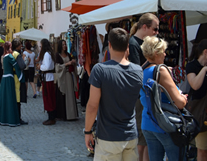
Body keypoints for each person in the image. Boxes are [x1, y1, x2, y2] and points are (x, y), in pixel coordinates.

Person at [84, 28, 143, 160]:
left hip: (108, 137)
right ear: (127, 46)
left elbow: (93, 105)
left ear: (109, 45)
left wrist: (87, 131)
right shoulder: (138, 70)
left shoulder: (100, 70)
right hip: (130, 135)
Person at [140, 36, 187, 161]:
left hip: (148, 122)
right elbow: (180, 103)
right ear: (156, 53)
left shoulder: (142, 70)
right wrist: (183, 98)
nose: (165, 54)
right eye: (163, 51)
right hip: (164, 123)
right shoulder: (161, 70)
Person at [128, 13, 159, 161]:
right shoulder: (133, 43)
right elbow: (135, 72)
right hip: (139, 95)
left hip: (145, 93)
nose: (156, 32)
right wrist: (152, 62)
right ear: (145, 27)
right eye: (155, 29)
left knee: (146, 136)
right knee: (142, 135)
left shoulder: (139, 42)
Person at [186, 39, 207, 161]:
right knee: (202, 150)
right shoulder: (192, 66)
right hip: (200, 114)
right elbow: (195, 85)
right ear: (205, 52)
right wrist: (205, 69)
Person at [0, 42, 21, 126]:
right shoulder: (10, 57)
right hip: (9, 78)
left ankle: (2, 119)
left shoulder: (3, 57)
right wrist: (21, 77)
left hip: (4, 78)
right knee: (10, 99)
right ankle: (11, 120)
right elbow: (17, 66)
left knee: (4, 99)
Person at [55, 39, 79, 121]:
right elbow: (57, 68)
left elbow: (72, 66)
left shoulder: (68, 54)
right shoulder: (57, 56)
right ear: (60, 46)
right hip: (63, 77)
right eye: (63, 45)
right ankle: (64, 115)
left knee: (70, 95)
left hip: (69, 76)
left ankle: (72, 114)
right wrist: (67, 64)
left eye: (65, 44)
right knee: (63, 95)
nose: (65, 46)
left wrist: (73, 63)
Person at [39, 39, 57, 125]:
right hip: (49, 77)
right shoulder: (50, 53)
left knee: (48, 98)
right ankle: (51, 116)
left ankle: (51, 117)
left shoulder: (46, 54)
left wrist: (40, 66)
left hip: (47, 78)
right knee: (50, 97)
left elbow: (46, 67)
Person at [12, 39, 28, 125]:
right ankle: (18, 118)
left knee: (15, 98)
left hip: (13, 77)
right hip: (17, 78)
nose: (21, 46)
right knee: (18, 98)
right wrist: (25, 60)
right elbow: (22, 66)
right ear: (17, 46)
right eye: (20, 45)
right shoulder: (17, 54)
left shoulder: (11, 53)